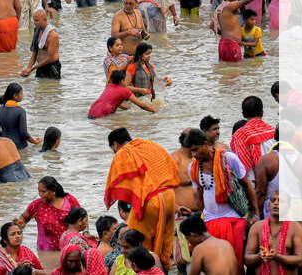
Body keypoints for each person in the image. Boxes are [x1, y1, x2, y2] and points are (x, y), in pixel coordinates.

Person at [104, 128, 181, 271]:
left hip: (150, 201)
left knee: (137, 242)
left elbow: (119, 185)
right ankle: (163, 268)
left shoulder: (123, 152)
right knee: (165, 240)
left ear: (115, 145)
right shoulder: (150, 144)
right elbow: (169, 165)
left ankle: (147, 271)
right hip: (169, 196)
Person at [185, 128, 259, 271]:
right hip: (210, 220)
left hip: (233, 218)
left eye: (196, 150)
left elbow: (247, 185)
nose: (194, 155)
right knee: (212, 263)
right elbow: (198, 195)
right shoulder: (192, 167)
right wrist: (201, 216)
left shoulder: (229, 158)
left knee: (235, 262)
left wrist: (255, 214)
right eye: (191, 152)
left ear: (205, 144)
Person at [17, 177, 83, 270]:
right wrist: (20, 224)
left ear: (53, 191)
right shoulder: (37, 205)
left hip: (69, 248)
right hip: (46, 251)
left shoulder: (69, 200)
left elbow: (82, 218)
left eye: (43, 192)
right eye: (39, 191)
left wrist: (86, 234)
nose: (40, 195)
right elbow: (24, 218)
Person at [245, 193, 302, 275]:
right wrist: (259, 256)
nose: (276, 203)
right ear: (268, 206)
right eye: (273, 200)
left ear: (288, 206)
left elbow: (300, 260)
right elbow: (247, 259)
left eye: (281, 201)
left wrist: (277, 257)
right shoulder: (256, 227)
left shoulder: (296, 228)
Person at [230, 96, 275, 176]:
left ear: (243, 114)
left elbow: (242, 168)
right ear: (262, 112)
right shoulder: (274, 131)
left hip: (255, 182)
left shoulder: (239, 135)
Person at [89, 70, 156, 118]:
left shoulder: (108, 86)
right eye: (125, 79)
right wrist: (155, 111)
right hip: (101, 115)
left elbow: (115, 102)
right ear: (122, 81)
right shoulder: (124, 91)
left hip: (92, 111)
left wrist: (127, 109)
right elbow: (142, 105)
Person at [0, 83, 42, 149]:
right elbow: (24, 133)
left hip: (4, 145)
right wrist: (35, 141)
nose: (23, 95)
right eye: (21, 93)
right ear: (15, 96)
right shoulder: (21, 111)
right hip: (19, 146)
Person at [22, 10, 62, 78]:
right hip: (40, 66)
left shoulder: (53, 36)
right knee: (40, 87)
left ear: (45, 19)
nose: (34, 23)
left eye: (37, 20)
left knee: (52, 87)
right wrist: (28, 68)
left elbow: (51, 58)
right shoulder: (37, 31)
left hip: (51, 67)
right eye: (34, 20)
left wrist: (33, 68)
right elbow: (35, 52)